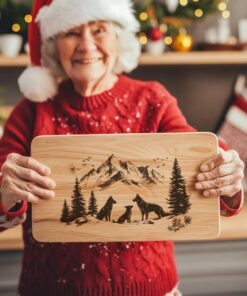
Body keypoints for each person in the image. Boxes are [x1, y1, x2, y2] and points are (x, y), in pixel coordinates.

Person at [0, 0, 244, 295]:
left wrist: (226, 175)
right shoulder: (31, 112)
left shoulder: (152, 98)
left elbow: (196, 153)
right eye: (71, 33)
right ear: (54, 44)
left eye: (99, 29)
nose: (86, 45)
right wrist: (5, 191)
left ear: (118, 37)